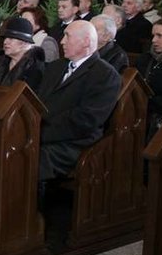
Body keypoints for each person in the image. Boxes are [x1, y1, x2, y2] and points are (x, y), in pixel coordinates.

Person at [36, 20, 122, 181]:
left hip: (75, 142)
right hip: (43, 133)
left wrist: (40, 134)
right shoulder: (55, 67)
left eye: (67, 36)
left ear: (86, 41)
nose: (62, 41)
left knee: (30, 158)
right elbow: (38, 101)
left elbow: (86, 120)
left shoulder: (105, 75)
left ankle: (29, 205)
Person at [0, 17, 45, 90]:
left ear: (24, 42)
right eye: (5, 38)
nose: (5, 42)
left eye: (11, 38)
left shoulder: (35, 69)